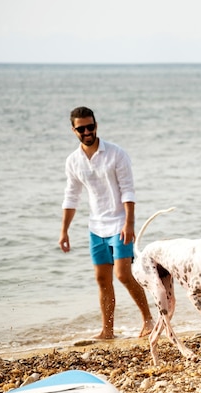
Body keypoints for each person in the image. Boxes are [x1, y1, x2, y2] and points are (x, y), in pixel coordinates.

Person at [59, 106, 154, 340]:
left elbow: (128, 190)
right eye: (81, 128)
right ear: (74, 130)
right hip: (96, 227)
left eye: (90, 126)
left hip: (120, 223)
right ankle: (107, 331)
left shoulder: (116, 153)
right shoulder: (73, 161)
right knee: (102, 280)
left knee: (122, 274)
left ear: (96, 125)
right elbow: (71, 197)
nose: (87, 131)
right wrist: (64, 231)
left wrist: (129, 223)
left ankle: (149, 320)